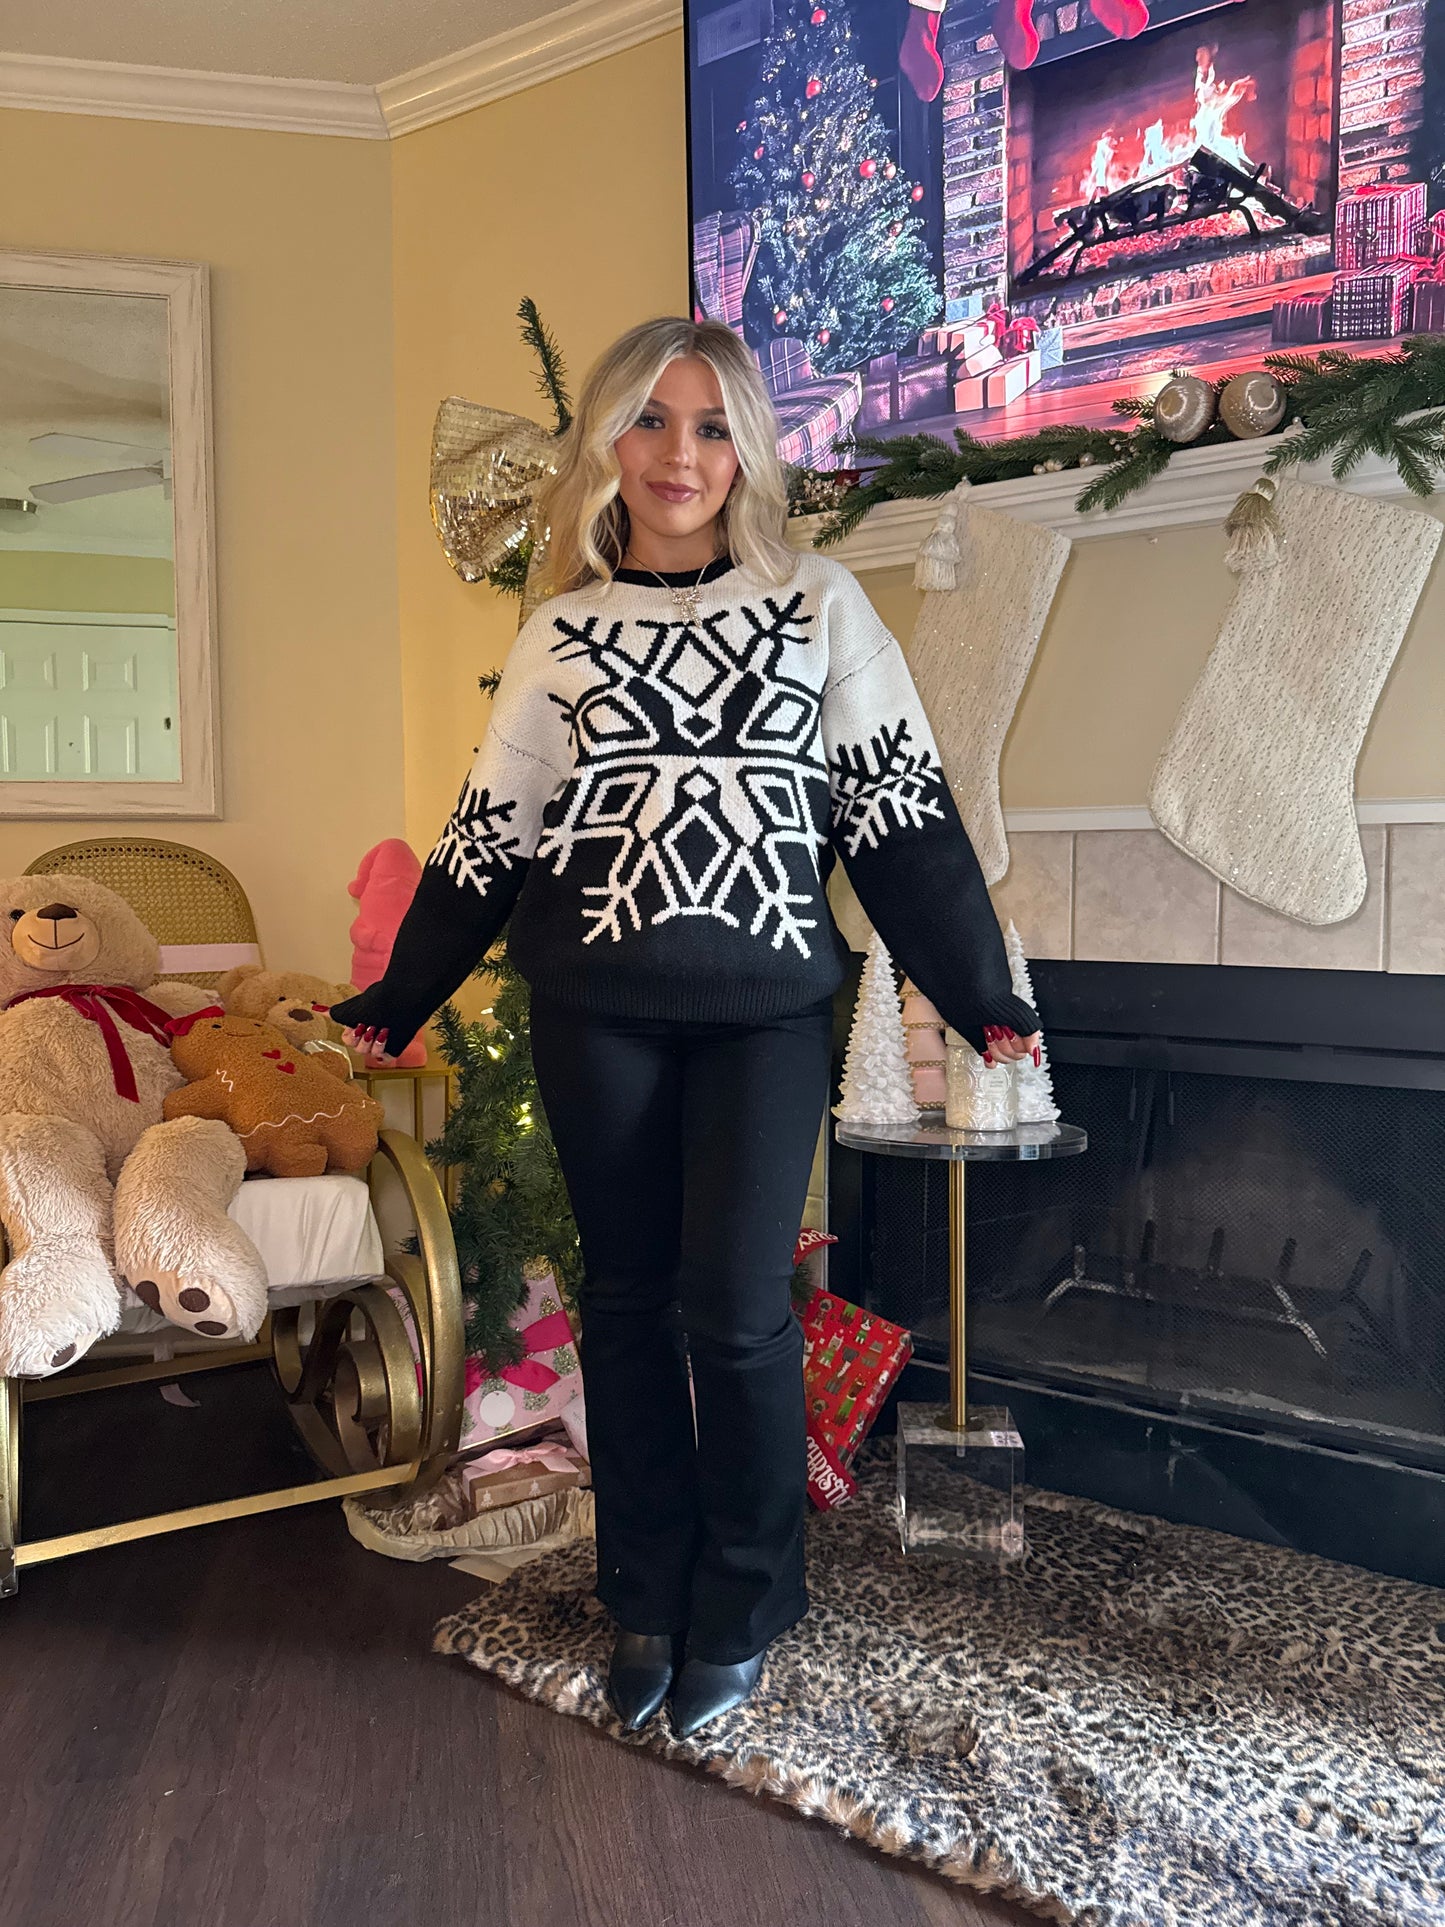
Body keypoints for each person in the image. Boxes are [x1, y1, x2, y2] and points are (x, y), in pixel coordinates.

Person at [332, 316, 1040, 1737]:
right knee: (626, 1306)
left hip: (765, 1017)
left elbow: (898, 815)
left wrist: (978, 994)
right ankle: (642, 1589)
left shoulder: (819, 604)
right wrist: (398, 997)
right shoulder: (559, 633)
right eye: (651, 422)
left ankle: (745, 1599)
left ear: (750, 452)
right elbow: (490, 838)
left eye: (712, 426)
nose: (680, 455)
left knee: (735, 1314)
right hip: (597, 1015)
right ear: (608, 442)